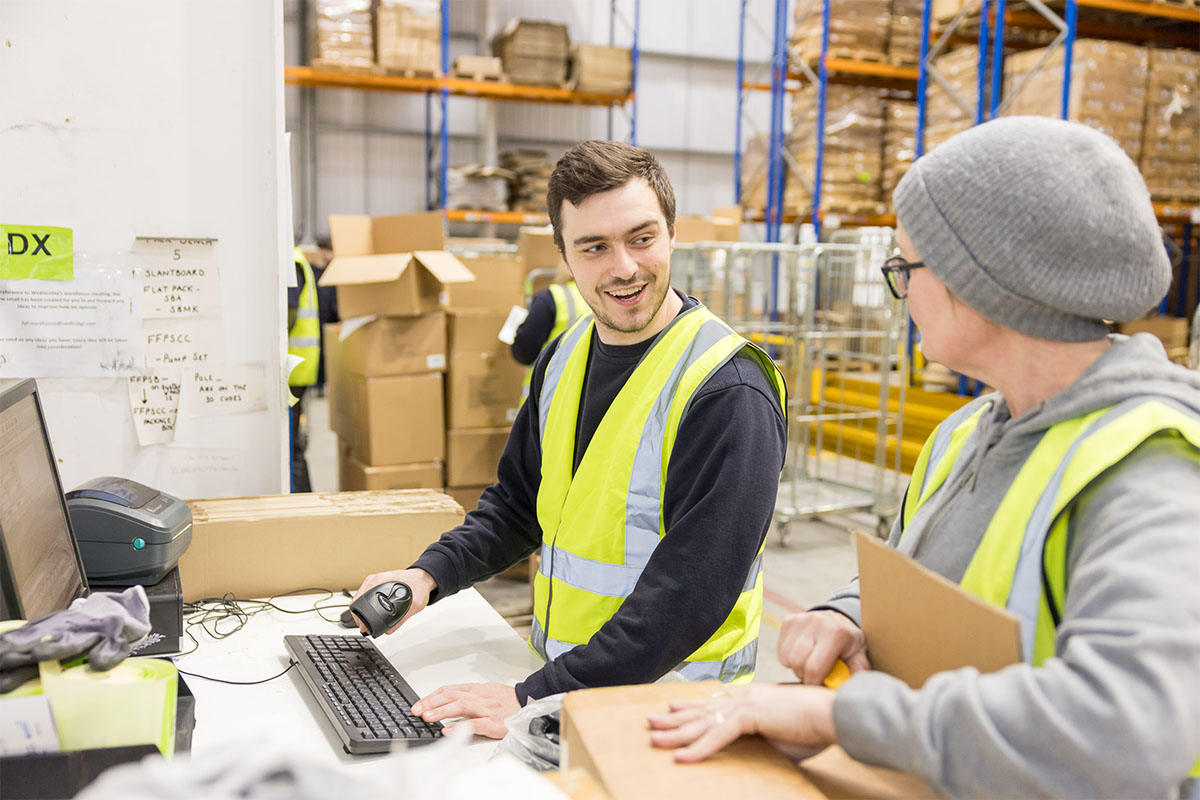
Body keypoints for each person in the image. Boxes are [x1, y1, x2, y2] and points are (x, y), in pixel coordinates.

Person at [646, 117, 1200, 798]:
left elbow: (1126, 734)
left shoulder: (1151, 473)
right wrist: (847, 614)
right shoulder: (970, 432)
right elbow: (921, 575)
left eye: (907, 267)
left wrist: (841, 716)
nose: (900, 291)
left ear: (985, 283)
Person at [353, 140, 789, 738]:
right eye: (595, 247)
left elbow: (687, 597)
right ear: (563, 254)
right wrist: (427, 576)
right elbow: (515, 506)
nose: (625, 267)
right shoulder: (564, 356)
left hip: (666, 717)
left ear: (671, 234)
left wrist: (529, 695)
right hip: (566, 694)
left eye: (642, 238)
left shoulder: (727, 390)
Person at [511, 276, 586, 404]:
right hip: (587, 397)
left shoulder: (555, 297)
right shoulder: (609, 300)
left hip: (547, 398)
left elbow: (524, 351)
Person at [287, 246, 320, 493]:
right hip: (295, 367)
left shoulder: (292, 261)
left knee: (292, 448)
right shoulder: (295, 257)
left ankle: (302, 503)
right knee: (293, 445)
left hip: (293, 370)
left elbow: (288, 313)